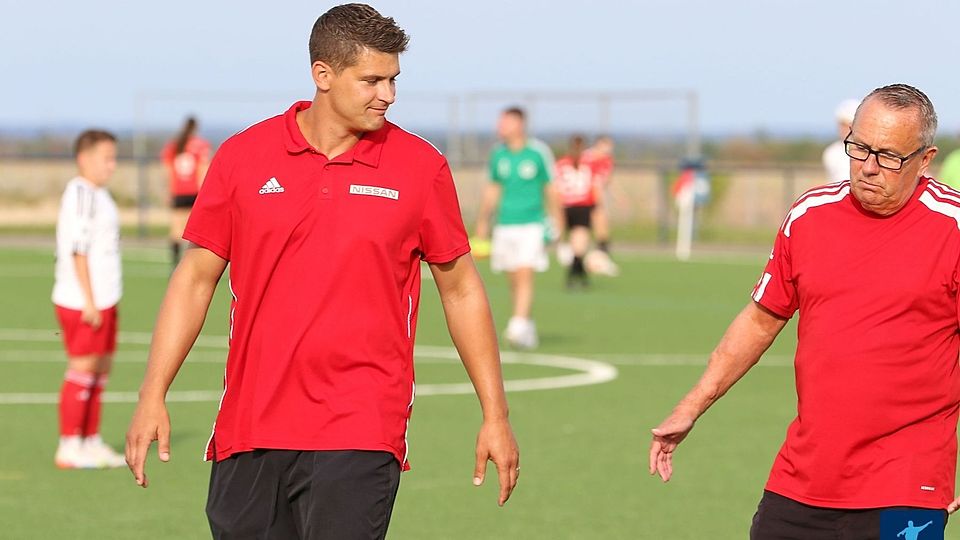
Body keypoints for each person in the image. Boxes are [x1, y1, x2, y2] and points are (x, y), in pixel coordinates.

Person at [124, 4, 519, 539]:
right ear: (323, 75)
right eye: (372, 80)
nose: (389, 95)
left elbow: (462, 291)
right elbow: (195, 279)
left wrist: (495, 415)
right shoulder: (243, 157)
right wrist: (153, 393)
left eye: (394, 79)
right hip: (251, 425)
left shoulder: (420, 168)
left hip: (361, 425)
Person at [649, 84, 960, 539]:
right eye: (859, 148)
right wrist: (691, 406)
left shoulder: (952, 227)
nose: (869, 167)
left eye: (889, 156)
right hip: (803, 480)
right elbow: (760, 320)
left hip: (907, 484)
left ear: (925, 159)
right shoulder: (809, 215)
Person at [52, 129, 126, 469]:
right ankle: (69, 444)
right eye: (105, 158)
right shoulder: (80, 194)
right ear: (84, 158)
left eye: (114, 158)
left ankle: (90, 439)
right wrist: (90, 300)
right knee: (82, 369)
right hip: (84, 301)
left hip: (107, 296)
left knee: (100, 369)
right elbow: (77, 250)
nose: (111, 165)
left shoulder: (100, 194)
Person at [475, 107, 561, 349]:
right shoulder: (498, 154)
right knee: (513, 275)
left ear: (520, 124)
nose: (500, 127)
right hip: (504, 224)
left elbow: (551, 188)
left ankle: (518, 322)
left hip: (532, 223)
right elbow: (493, 189)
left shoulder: (538, 152)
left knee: (525, 272)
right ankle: (526, 323)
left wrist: (558, 221)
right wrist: (483, 222)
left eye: (505, 122)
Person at [555, 134, 603, 288]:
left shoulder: (561, 163)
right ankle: (575, 274)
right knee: (580, 243)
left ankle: (578, 276)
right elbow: (595, 186)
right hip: (582, 206)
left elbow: (556, 187)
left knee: (574, 243)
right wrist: (598, 206)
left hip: (566, 206)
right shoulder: (589, 164)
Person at [160, 116, 210, 266]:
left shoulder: (174, 145)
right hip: (195, 192)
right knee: (197, 230)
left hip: (178, 192)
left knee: (176, 230)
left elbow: (168, 171)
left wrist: (169, 192)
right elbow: (203, 169)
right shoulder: (200, 145)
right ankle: (195, 264)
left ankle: (175, 265)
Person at [822, 98, 860, 183]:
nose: (845, 130)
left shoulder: (866, 153)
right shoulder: (831, 152)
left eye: (849, 125)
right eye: (842, 125)